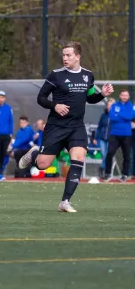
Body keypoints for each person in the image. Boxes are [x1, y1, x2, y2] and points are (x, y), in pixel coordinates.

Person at [19, 41, 113, 212]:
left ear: (78, 56)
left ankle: (65, 202)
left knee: (78, 158)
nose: (65, 58)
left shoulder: (88, 76)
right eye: (63, 55)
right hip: (56, 126)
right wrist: (55, 106)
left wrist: (102, 95)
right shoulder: (56, 75)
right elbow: (41, 98)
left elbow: (90, 98)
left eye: (68, 55)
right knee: (42, 164)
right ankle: (34, 154)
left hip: (76, 126)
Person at [104, 90, 133, 182]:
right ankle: (107, 174)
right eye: (123, 95)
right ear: (120, 95)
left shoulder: (130, 106)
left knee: (127, 156)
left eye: (126, 95)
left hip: (127, 134)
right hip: (115, 134)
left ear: (128, 96)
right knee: (109, 153)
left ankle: (124, 174)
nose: (124, 97)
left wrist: (119, 113)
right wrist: (123, 115)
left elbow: (130, 116)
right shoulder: (114, 105)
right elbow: (112, 117)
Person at [92, 98, 115, 178]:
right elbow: (99, 127)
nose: (109, 107)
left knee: (108, 155)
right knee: (103, 154)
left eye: (111, 105)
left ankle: (102, 168)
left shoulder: (116, 116)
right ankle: (104, 170)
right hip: (102, 138)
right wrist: (95, 138)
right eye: (108, 105)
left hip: (111, 138)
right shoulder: (103, 115)